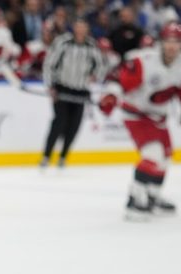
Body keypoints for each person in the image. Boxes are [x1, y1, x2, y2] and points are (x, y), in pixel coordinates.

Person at [98, 22, 181, 220]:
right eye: (168, 41)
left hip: (158, 117)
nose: (172, 46)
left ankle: (153, 196)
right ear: (161, 42)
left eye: (177, 42)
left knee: (166, 157)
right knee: (152, 155)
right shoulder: (144, 60)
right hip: (136, 114)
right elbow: (120, 80)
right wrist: (111, 96)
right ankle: (134, 199)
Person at [39, 19, 103, 169]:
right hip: (62, 88)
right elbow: (49, 63)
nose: (80, 30)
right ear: (74, 28)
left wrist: (96, 76)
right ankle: (46, 156)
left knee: (74, 125)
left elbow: (101, 65)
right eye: (78, 26)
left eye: (83, 27)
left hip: (81, 91)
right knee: (59, 122)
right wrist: (50, 86)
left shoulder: (92, 45)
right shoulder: (63, 42)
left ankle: (63, 157)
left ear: (87, 29)